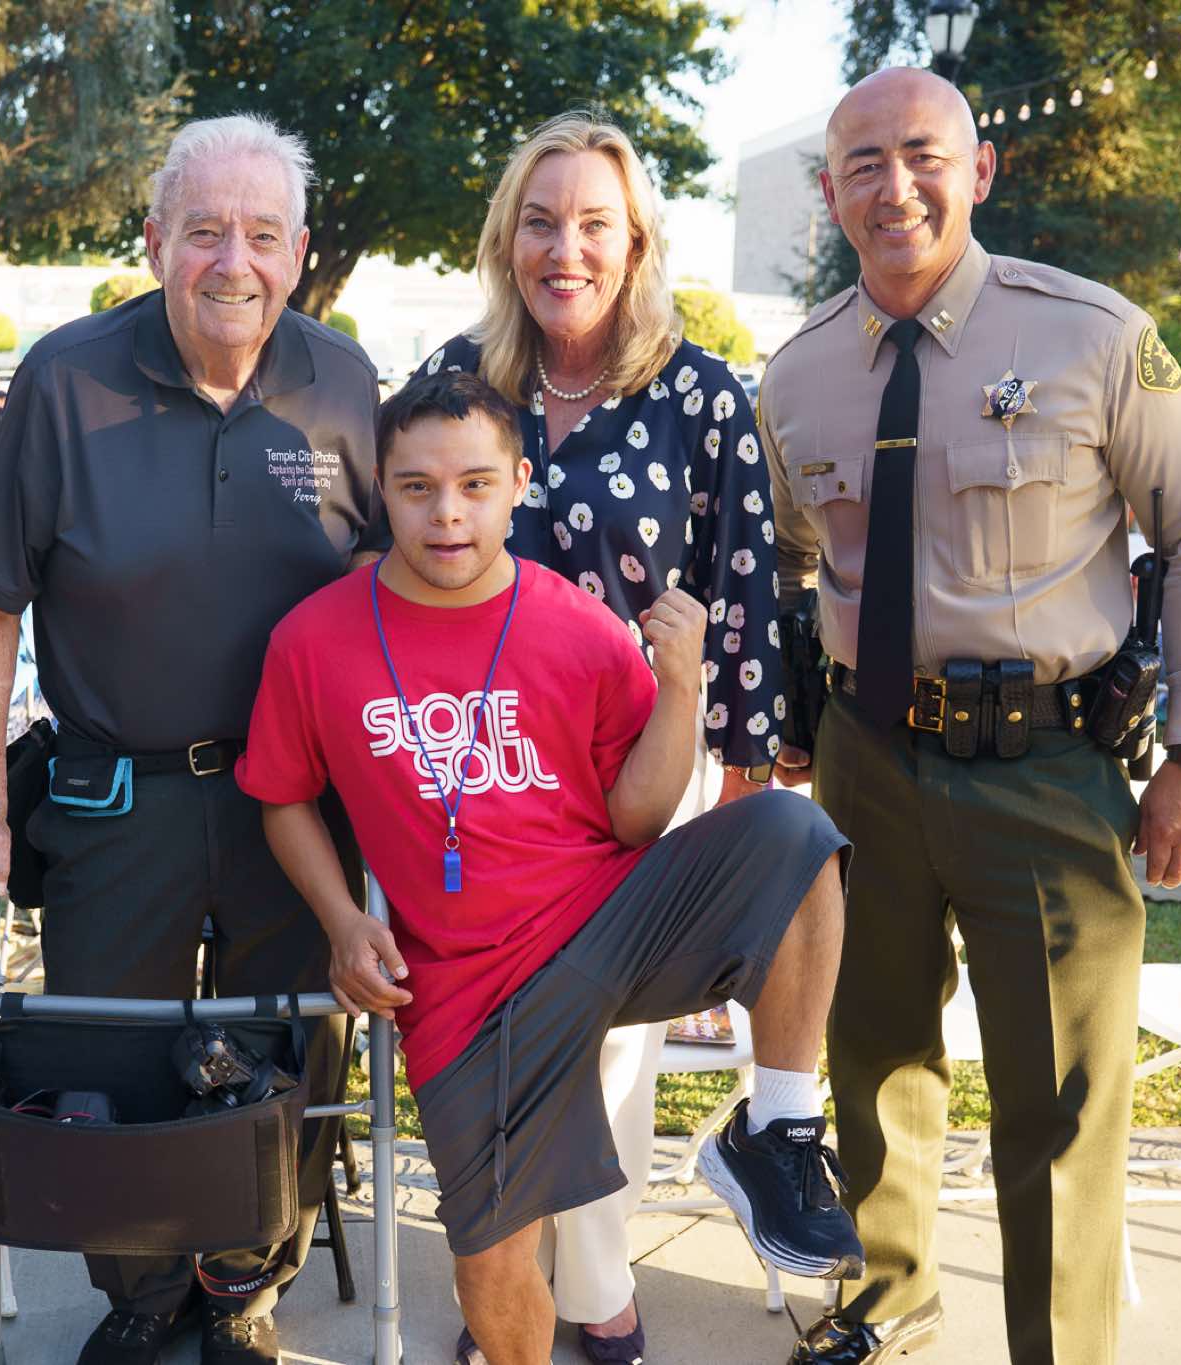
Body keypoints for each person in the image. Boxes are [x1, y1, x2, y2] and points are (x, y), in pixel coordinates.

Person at [763, 68, 1181, 1365]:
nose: (895, 186)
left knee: (1061, 1094)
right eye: (862, 163)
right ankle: (889, 1296)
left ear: (979, 171)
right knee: (870, 1047)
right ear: (830, 192)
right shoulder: (796, 374)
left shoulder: (1092, 336)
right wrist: (798, 706)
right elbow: (798, 558)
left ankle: (1060, 1347)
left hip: (1043, 760)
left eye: (923, 154)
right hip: (864, 760)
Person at [237, 373, 859, 1365]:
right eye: (416, 487)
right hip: (464, 991)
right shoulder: (313, 639)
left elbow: (636, 817)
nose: (447, 513)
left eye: (475, 485)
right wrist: (344, 922)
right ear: (381, 488)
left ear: (519, 484)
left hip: (607, 926)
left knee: (793, 831)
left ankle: (776, 1135)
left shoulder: (575, 622)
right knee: (490, 1264)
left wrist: (679, 686)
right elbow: (281, 796)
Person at [0, 114, 383, 1365]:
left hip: (294, 799)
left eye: (261, 234)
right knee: (109, 1048)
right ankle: (139, 1285)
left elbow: (382, 586)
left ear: (298, 251)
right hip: (115, 789)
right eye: (202, 232)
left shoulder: (344, 382)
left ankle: (243, 1280)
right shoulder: (64, 378)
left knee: (291, 1039)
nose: (232, 262)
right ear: (153, 241)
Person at [410, 109, 781, 1364]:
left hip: (643, 759)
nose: (562, 249)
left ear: (635, 245)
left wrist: (742, 781)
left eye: (591, 225)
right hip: (481, 762)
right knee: (504, 1025)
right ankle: (521, 1284)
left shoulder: (700, 393)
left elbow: (743, 588)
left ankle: (596, 1286)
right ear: (504, 239)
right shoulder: (460, 378)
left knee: (610, 1034)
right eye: (539, 222)